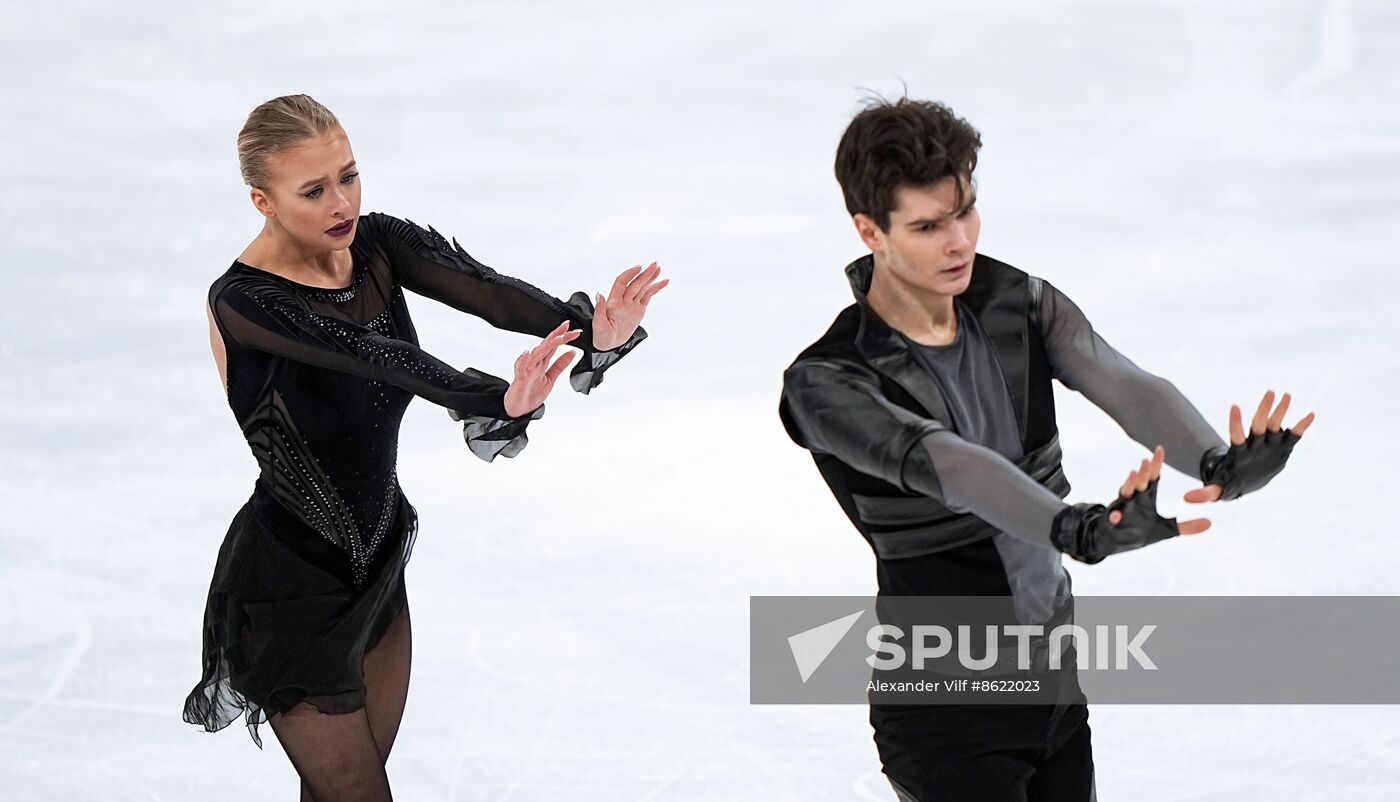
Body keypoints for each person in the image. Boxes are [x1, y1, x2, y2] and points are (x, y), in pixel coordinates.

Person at [777, 95, 1314, 802]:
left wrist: (1216, 462)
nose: (959, 242)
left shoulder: (1017, 302)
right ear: (869, 230)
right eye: (929, 226)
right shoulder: (828, 381)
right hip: (945, 712)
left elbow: (1117, 378)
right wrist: (1075, 527)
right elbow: (950, 464)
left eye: (965, 211)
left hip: (1056, 691)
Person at [181, 94, 667, 801]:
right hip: (289, 589)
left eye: (348, 175)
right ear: (262, 200)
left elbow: (488, 292)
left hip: (378, 571)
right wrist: (495, 400)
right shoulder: (245, 302)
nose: (341, 201)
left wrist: (592, 328)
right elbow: (375, 356)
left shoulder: (374, 245)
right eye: (312, 190)